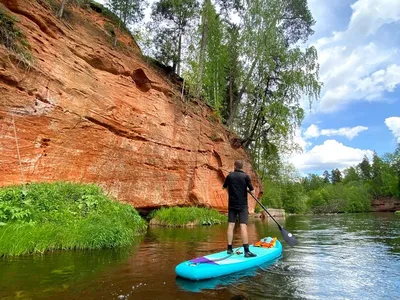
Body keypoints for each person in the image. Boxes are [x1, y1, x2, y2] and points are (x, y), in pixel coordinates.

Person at [223, 160, 256, 258]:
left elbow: (224, 187)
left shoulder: (230, 176)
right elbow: (253, 191)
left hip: (232, 205)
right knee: (243, 226)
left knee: (231, 225)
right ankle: (246, 251)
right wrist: (246, 190)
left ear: (234, 166)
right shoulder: (246, 176)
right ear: (242, 167)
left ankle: (229, 248)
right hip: (242, 206)